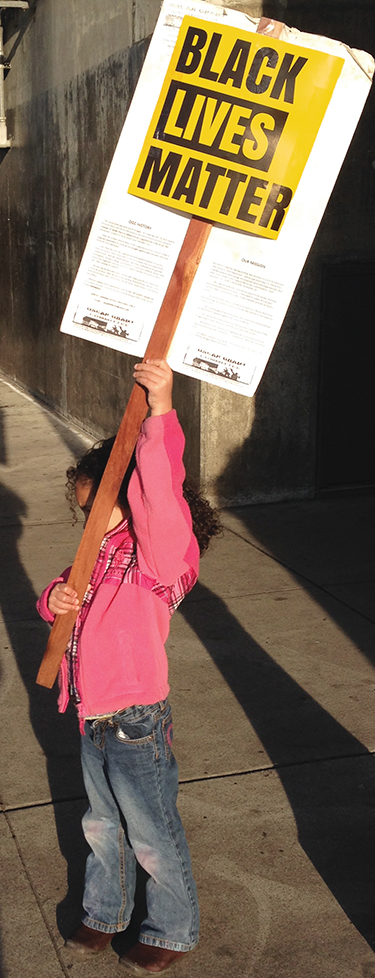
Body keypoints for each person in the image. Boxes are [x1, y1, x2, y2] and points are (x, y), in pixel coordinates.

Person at [36, 360, 221, 976]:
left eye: (102, 509)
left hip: (137, 716)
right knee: (101, 824)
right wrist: (54, 598)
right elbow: (63, 593)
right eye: (85, 512)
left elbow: (161, 495)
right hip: (91, 715)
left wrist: (160, 412)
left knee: (151, 830)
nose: (90, 522)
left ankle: (171, 927)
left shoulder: (157, 559)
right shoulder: (96, 554)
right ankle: (104, 912)